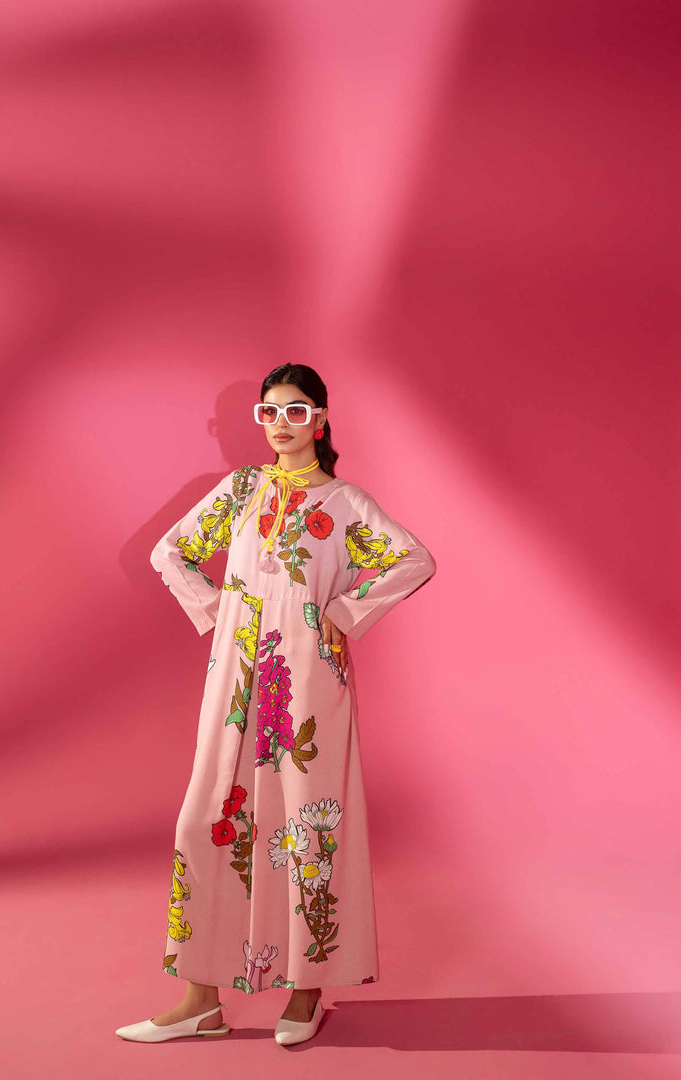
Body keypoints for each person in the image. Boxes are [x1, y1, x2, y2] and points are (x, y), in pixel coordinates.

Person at [116, 363, 437, 1046]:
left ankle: (306, 992)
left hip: (309, 685)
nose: (281, 424)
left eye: (296, 411)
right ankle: (200, 1001)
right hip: (235, 680)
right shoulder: (240, 491)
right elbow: (171, 552)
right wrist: (220, 614)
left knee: (305, 825)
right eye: (270, 411)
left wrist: (345, 613)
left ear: (320, 419)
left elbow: (413, 559)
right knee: (209, 818)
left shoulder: (345, 503)